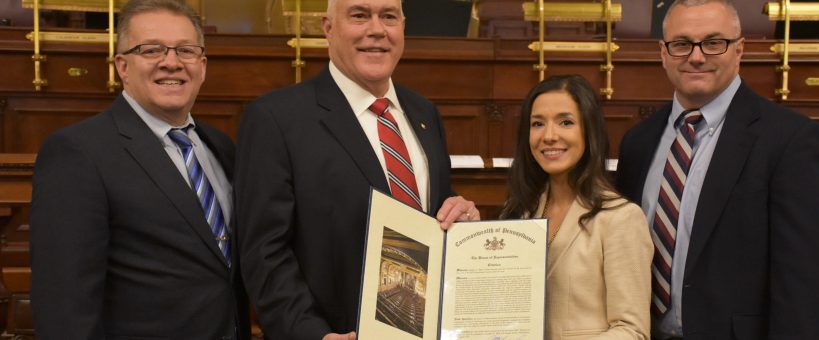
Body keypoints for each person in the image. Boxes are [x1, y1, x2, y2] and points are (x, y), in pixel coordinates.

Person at [234, 0, 479, 339]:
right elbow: (264, 251)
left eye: (388, 17)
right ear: (328, 28)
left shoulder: (424, 113)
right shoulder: (276, 119)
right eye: (360, 15)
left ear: (403, 28)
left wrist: (460, 212)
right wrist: (311, 333)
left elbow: (427, 206)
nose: (376, 30)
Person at [29, 0, 250, 339]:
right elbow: (64, 305)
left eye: (186, 51)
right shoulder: (78, 153)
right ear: (123, 66)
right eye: (151, 50)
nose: (171, 63)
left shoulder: (221, 146)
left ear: (202, 66)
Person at [615, 0, 819, 339]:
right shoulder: (638, 142)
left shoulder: (789, 139)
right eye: (681, 44)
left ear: (739, 49)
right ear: (663, 52)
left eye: (714, 42)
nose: (697, 56)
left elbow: (805, 281)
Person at [500, 75, 652, 339]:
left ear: (589, 131)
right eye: (537, 124)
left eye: (566, 122)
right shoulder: (517, 213)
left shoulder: (621, 218)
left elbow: (632, 331)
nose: (549, 136)